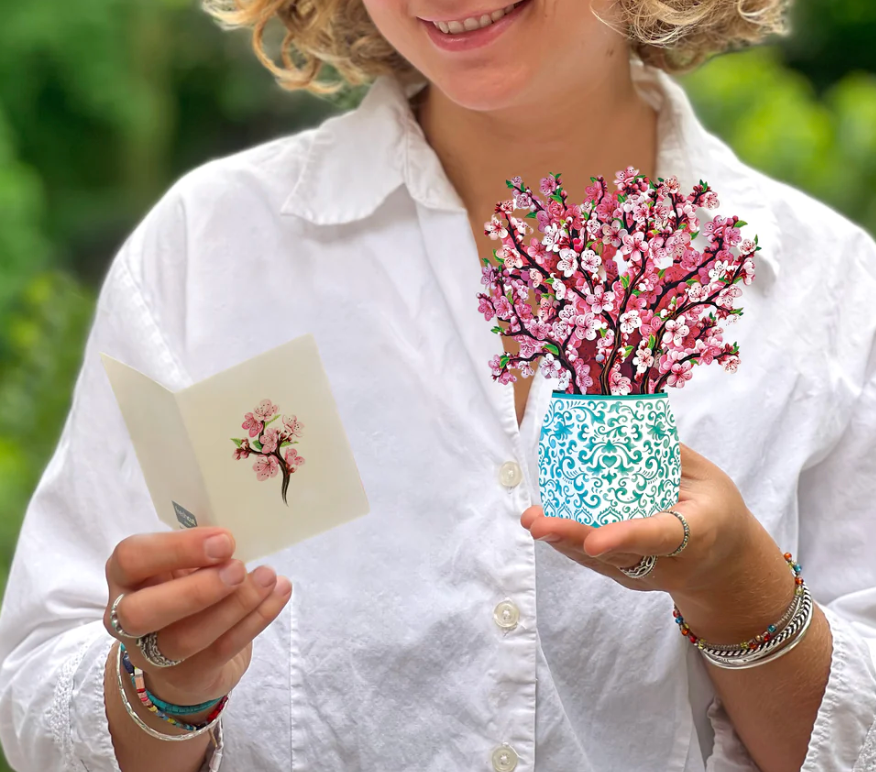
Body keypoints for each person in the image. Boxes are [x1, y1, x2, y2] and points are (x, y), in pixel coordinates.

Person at [1, 0, 875, 770]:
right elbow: (39, 686)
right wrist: (164, 690)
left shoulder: (826, 289)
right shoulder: (211, 248)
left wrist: (742, 594)